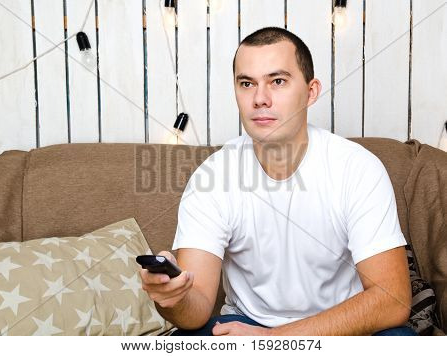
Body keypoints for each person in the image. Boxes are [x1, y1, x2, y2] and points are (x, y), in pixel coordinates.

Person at [140, 27, 417, 336]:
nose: (260, 98)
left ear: (311, 92)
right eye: (247, 83)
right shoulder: (213, 176)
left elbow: (392, 301)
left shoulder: (358, 168)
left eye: (278, 81)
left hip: (340, 327)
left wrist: (274, 340)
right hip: (246, 325)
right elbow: (197, 310)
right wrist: (172, 297)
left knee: (402, 342)